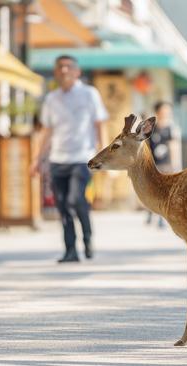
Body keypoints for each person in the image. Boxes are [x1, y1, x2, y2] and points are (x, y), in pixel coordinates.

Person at [31, 55, 109, 262]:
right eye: (60, 67)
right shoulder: (51, 99)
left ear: (77, 72)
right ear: (55, 73)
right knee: (63, 205)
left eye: (68, 67)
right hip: (58, 159)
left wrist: (105, 155)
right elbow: (46, 131)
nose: (64, 71)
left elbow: (100, 124)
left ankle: (87, 238)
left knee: (76, 200)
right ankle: (70, 250)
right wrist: (36, 159)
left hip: (82, 157)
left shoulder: (89, 94)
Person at [146, 101, 181, 228]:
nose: (165, 113)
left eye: (167, 110)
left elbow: (174, 147)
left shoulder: (172, 128)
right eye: (163, 110)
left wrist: (176, 166)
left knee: (164, 193)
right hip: (153, 164)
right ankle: (150, 212)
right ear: (157, 111)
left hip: (167, 165)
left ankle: (162, 218)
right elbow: (147, 147)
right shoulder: (151, 128)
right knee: (152, 191)